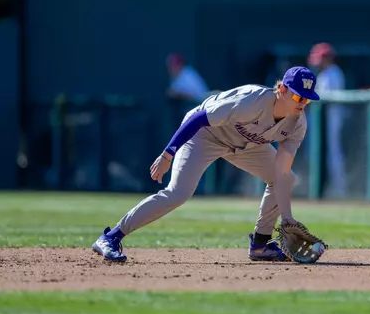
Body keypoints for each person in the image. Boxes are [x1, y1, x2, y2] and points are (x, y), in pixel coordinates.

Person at [92, 66, 320, 262]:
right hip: (205, 135)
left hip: (246, 145)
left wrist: (287, 218)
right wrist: (167, 154)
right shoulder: (251, 100)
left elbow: (281, 171)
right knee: (178, 193)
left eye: (307, 98)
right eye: (299, 97)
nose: (303, 103)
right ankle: (111, 237)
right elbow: (198, 118)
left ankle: (260, 245)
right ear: (282, 90)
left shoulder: (297, 124)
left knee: (287, 178)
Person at [308, 42, 348, 198]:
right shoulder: (325, 74)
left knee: (333, 153)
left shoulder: (333, 73)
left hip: (332, 118)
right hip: (324, 120)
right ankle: (330, 187)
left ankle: (339, 189)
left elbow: (323, 99)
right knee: (325, 153)